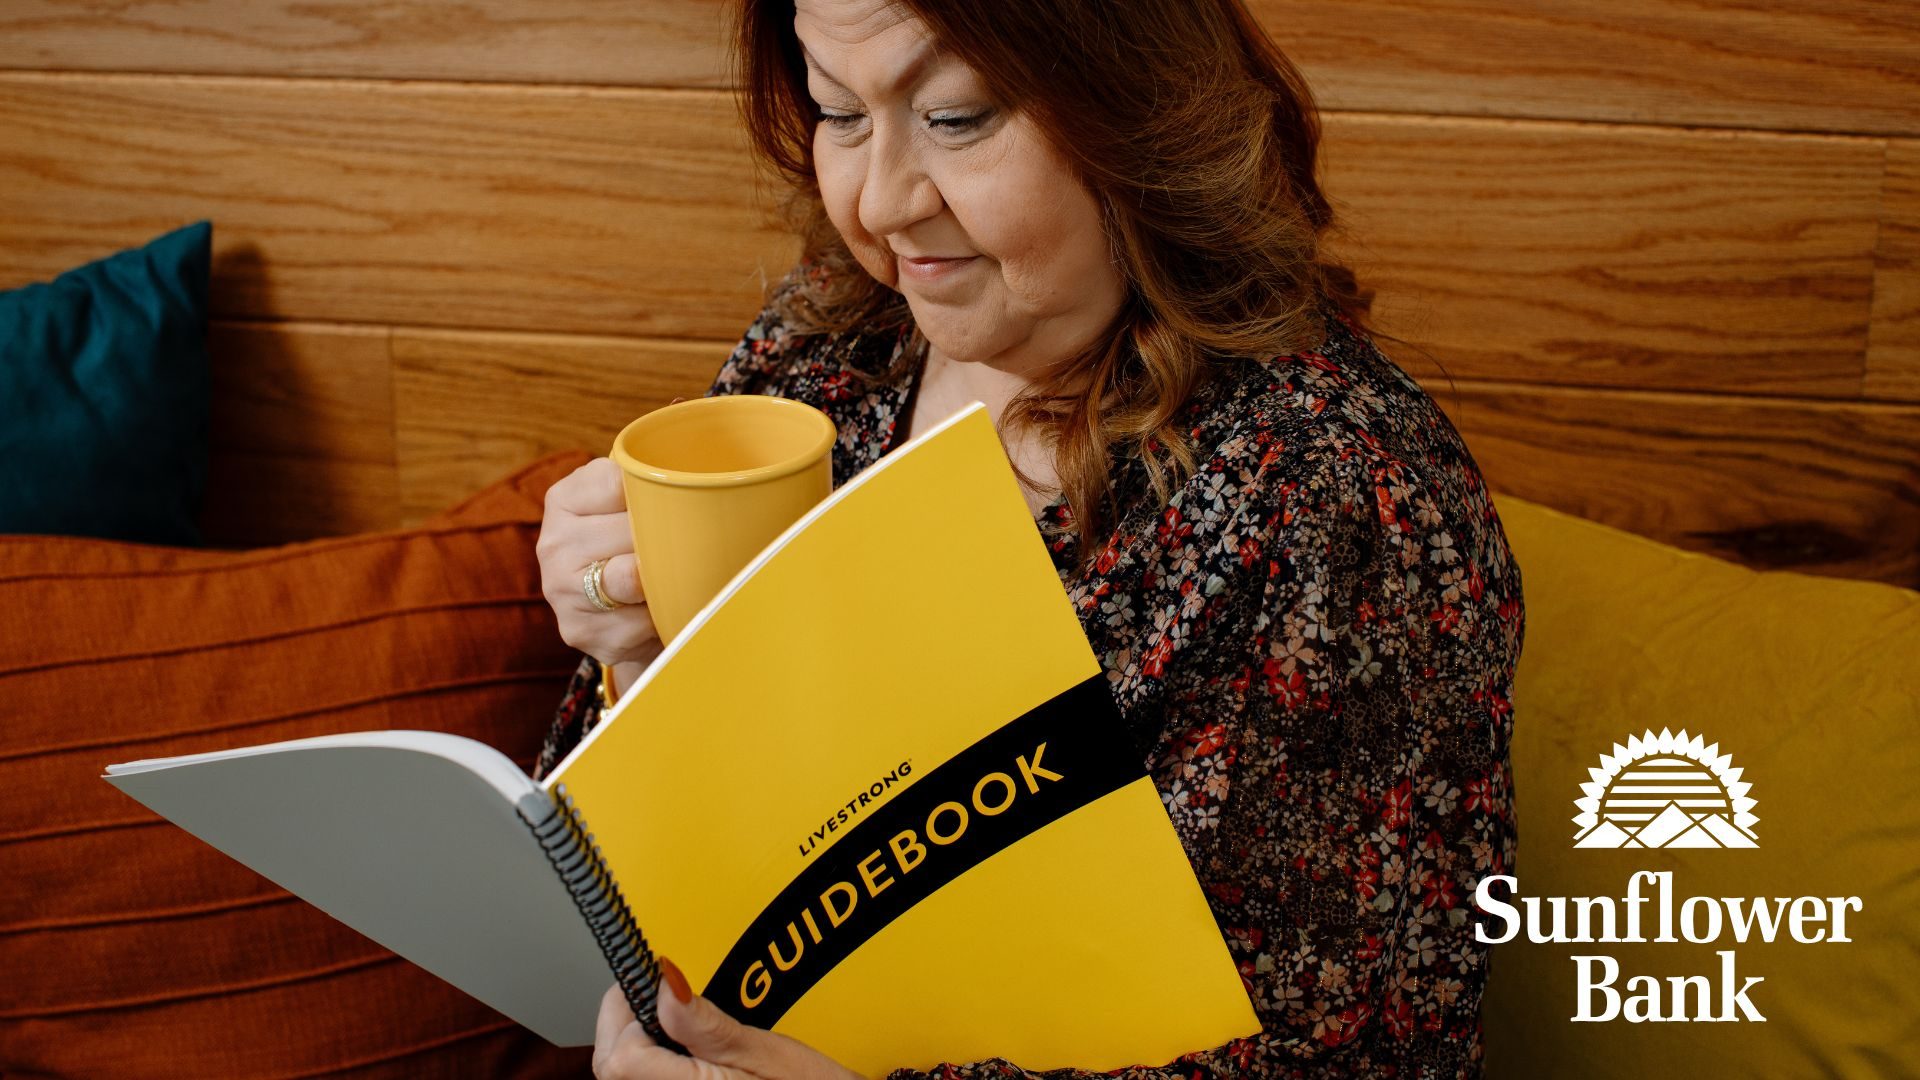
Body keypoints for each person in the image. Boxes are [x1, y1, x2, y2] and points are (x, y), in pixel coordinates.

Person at [532, 0, 1525, 1076]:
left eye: (954, 117)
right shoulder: (833, 343)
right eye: (838, 113)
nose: (879, 203)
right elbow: (630, 883)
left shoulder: (1331, 488)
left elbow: (1346, 1053)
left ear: (1133, 104)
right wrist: (634, 658)